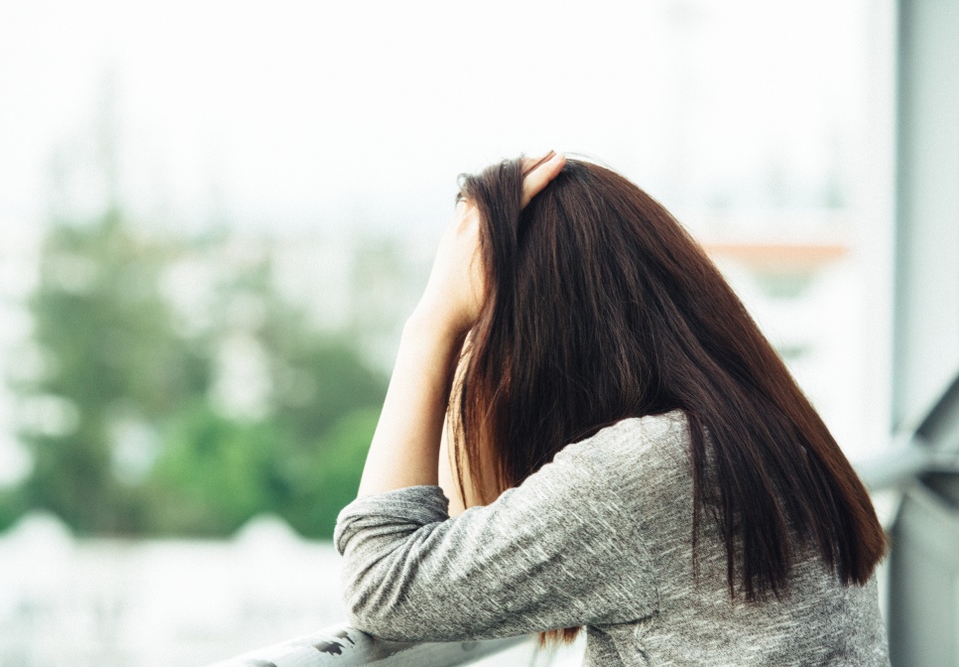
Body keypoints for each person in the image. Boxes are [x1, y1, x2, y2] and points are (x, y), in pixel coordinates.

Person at [334, 152, 890, 665]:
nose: (473, 365)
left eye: (479, 335)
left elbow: (382, 584)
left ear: (537, 339)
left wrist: (430, 324)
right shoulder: (760, 432)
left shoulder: (644, 472)